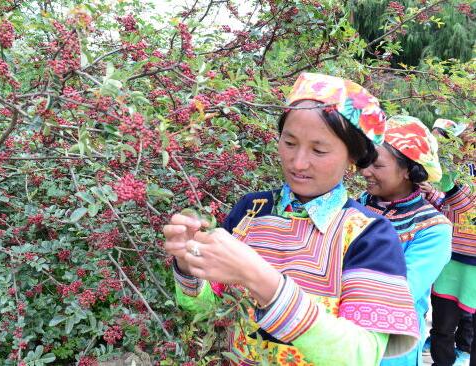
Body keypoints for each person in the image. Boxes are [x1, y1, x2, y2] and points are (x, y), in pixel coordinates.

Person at [163, 73, 419, 365]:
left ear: (352, 156)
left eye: (319, 150)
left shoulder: (370, 236)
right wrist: (187, 263)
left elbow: (359, 355)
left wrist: (262, 280)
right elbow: (207, 309)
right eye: (289, 143)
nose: (298, 163)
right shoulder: (251, 211)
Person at [358, 115, 453, 366]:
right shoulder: (355, 204)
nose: (365, 171)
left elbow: (401, 292)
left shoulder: (433, 229)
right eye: (365, 162)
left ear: (408, 170)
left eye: (377, 165)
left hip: (390, 347)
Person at [420, 119, 475, 366]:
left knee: (468, 324)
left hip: (472, 259)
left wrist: (449, 189)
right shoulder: (452, 167)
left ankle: (463, 351)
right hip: (450, 257)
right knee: (442, 326)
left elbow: (469, 207)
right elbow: (447, 207)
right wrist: (431, 193)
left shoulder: (457, 173)